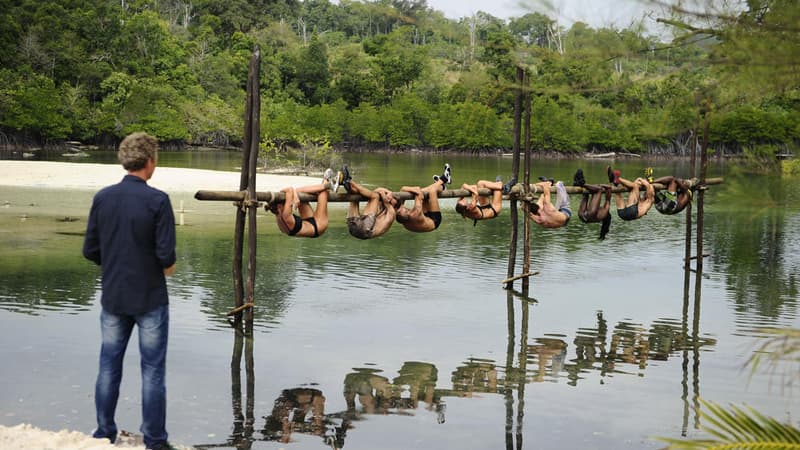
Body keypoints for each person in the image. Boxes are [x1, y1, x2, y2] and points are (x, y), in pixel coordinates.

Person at [82, 132, 177, 450]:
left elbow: (90, 250)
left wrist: (114, 262)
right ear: (150, 162)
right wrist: (166, 267)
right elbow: (166, 256)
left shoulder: (103, 197)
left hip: (114, 296)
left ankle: (103, 432)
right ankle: (154, 440)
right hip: (150, 297)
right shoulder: (158, 200)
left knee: (108, 365)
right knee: (152, 371)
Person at [267, 170, 332, 238]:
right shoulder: (285, 215)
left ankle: (321, 188)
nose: (285, 203)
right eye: (283, 203)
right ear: (279, 207)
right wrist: (294, 196)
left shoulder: (279, 215)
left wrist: (295, 196)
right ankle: (327, 182)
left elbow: (288, 192)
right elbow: (289, 190)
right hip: (318, 226)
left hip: (308, 222)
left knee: (298, 192)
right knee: (323, 192)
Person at [339, 165, 397, 240]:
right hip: (354, 229)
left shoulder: (391, 213)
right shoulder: (383, 210)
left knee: (375, 196)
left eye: (393, 200)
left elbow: (382, 197)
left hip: (366, 230)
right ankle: (345, 183)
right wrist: (389, 192)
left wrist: (386, 193)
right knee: (355, 196)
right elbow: (376, 190)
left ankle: (348, 180)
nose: (391, 199)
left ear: (395, 205)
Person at [395, 163, 451, 232]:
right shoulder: (416, 213)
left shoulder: (400, 214)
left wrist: (413, 191)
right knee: (432, 191)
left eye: (402, 209)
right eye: (406, 210)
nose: (403, 207)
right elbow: (418, 191)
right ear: (407, 213)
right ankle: (443, 179)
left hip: (423, 218)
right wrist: (414, 190)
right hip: (434, 221)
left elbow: (402, 189)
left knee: (425, 192)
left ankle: (442, 186)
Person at [573, 169, 612, 239]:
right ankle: (580, 183)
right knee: (586, 193)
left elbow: (609, 188)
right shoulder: (601, 216)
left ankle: (582, 184)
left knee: (599, 189)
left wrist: (599, 185)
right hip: (582, 217)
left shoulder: (605, 210)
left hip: (590, 214)